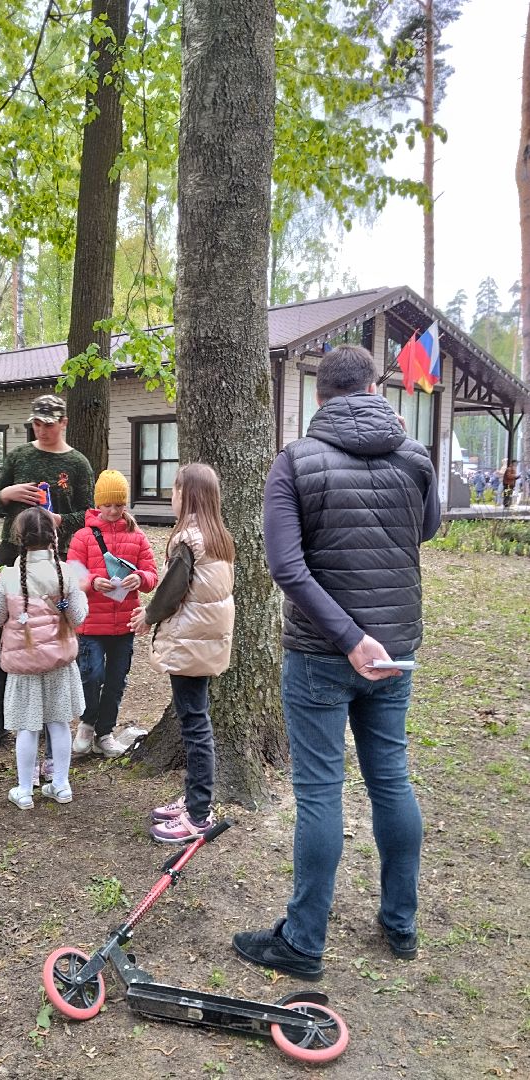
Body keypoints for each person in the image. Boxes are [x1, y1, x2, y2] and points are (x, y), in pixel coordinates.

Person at [231, 344, 441, 981]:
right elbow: (426, 529)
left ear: (319, 394)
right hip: (395, 648)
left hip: (325, 654)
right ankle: (400, 925)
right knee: (391, 782)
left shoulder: (295, 460)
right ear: (375, 387)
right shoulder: (414, 456)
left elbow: (285, 566)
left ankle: (303, 942)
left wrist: (349, 638)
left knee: (321, 793)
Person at [0, 394, 94, 751]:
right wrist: (10, 492)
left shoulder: (77, 464)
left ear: (63, 422)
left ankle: (49, 716)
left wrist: (62, 520)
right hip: (13, 555)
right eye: (37, 423)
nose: (42, 429)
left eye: (49, 423)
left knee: (54, 634)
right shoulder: (19, 456)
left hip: (56, 558)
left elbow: (89, 513)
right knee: (10, 634)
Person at [130, 463, 235, 844]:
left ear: (187, 495)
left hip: (192, 640)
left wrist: (147, 616)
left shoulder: (187, 539)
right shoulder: (217, 536)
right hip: (207, 639)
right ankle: (194, 799)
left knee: (194, 724)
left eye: (174, 489)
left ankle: (198, 814)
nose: (171, 496)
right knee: (195, 719)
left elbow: (172, 592)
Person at [0, 507, 88, 809]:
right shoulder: (65, 573)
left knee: (27, 727)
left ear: (19, 538)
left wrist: (0, 590)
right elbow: (79, 616)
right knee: (58, 723)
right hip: (59, 661)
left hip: (24, 664)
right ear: (54, 537)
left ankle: (24, 790)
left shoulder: (8, 577)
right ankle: (61, 785)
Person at [67, 470, 158, 758]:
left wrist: (140, 579)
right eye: (107, 505)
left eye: (119, 505)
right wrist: (93, 581)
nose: (113, 510)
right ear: (98, 504)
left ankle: (104, 733)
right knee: (92, 675)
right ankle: (87, 723)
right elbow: (72, 574)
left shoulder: (137, 536)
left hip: (125, 623)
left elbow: (153, 574)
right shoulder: (83, 536)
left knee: (117, 680)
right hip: (92, 623)